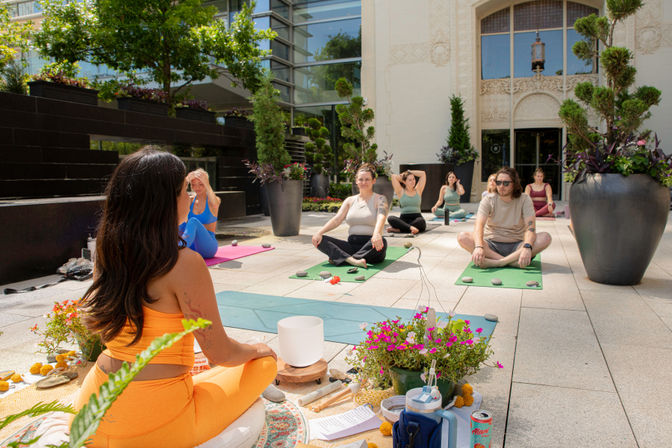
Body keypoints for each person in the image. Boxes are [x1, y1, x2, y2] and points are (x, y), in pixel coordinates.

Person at [73, 148, 277, 447]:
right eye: (184, 189)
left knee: (205, 374)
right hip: (154, 426)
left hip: (89, 413)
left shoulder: (106, 253)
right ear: (162, 201)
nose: (190, 196)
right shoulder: (184, 263)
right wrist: (258, 347)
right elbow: (220, 354)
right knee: (264, 364)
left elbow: (113, 335)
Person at [457, 166, 552, 268]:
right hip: (490, 245)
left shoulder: (524, 199)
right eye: (498, 182)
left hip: (517, 245)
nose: (501, 186)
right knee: (462, 237)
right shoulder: (488, 199)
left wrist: (527, 246)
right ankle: (510, 262)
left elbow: (531, 228)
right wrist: (479, 246)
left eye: (506, 183)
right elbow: (479, 226)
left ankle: (498, 262)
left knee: (545, 238)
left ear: (514, 184)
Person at [312, 163, 388, 268]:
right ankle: (353, 260)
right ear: (356, 181)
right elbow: (337, 220)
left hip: (371, 245)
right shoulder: (350, 200)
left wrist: (376, 234)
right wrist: (319, 232)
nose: (363, 182)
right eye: (361, 179)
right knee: (320, 240)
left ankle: (343, 258)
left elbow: (381, 217)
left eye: (367, 179)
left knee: (382, 241)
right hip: (351, 245)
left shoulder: (380, 199)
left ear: (373, 181)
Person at [178, 168, 221, 259]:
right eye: (193, 185)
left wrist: (206, 181)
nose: (197, 188)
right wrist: (185, 181)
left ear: (206, 184)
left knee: (193, 221)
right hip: (192, 246)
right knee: (180, 223)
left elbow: (215, 203)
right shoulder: (189, 200)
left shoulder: (213, 201)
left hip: (208, 247)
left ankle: (177, 250)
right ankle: (168, 247)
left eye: (201, 184)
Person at [387, 169, 427, 234]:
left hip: (417, 218)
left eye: (413, 179)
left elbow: (423, 174)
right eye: (410, 180)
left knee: (421, 221)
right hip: (404, 219)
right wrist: (404, 176)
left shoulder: (418, 190)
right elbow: (393, 176)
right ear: (404, 182)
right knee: (390, 218)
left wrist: (410, 172)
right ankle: (410, 228)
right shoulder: (400, 191)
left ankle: (400, 229)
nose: (413, 181)